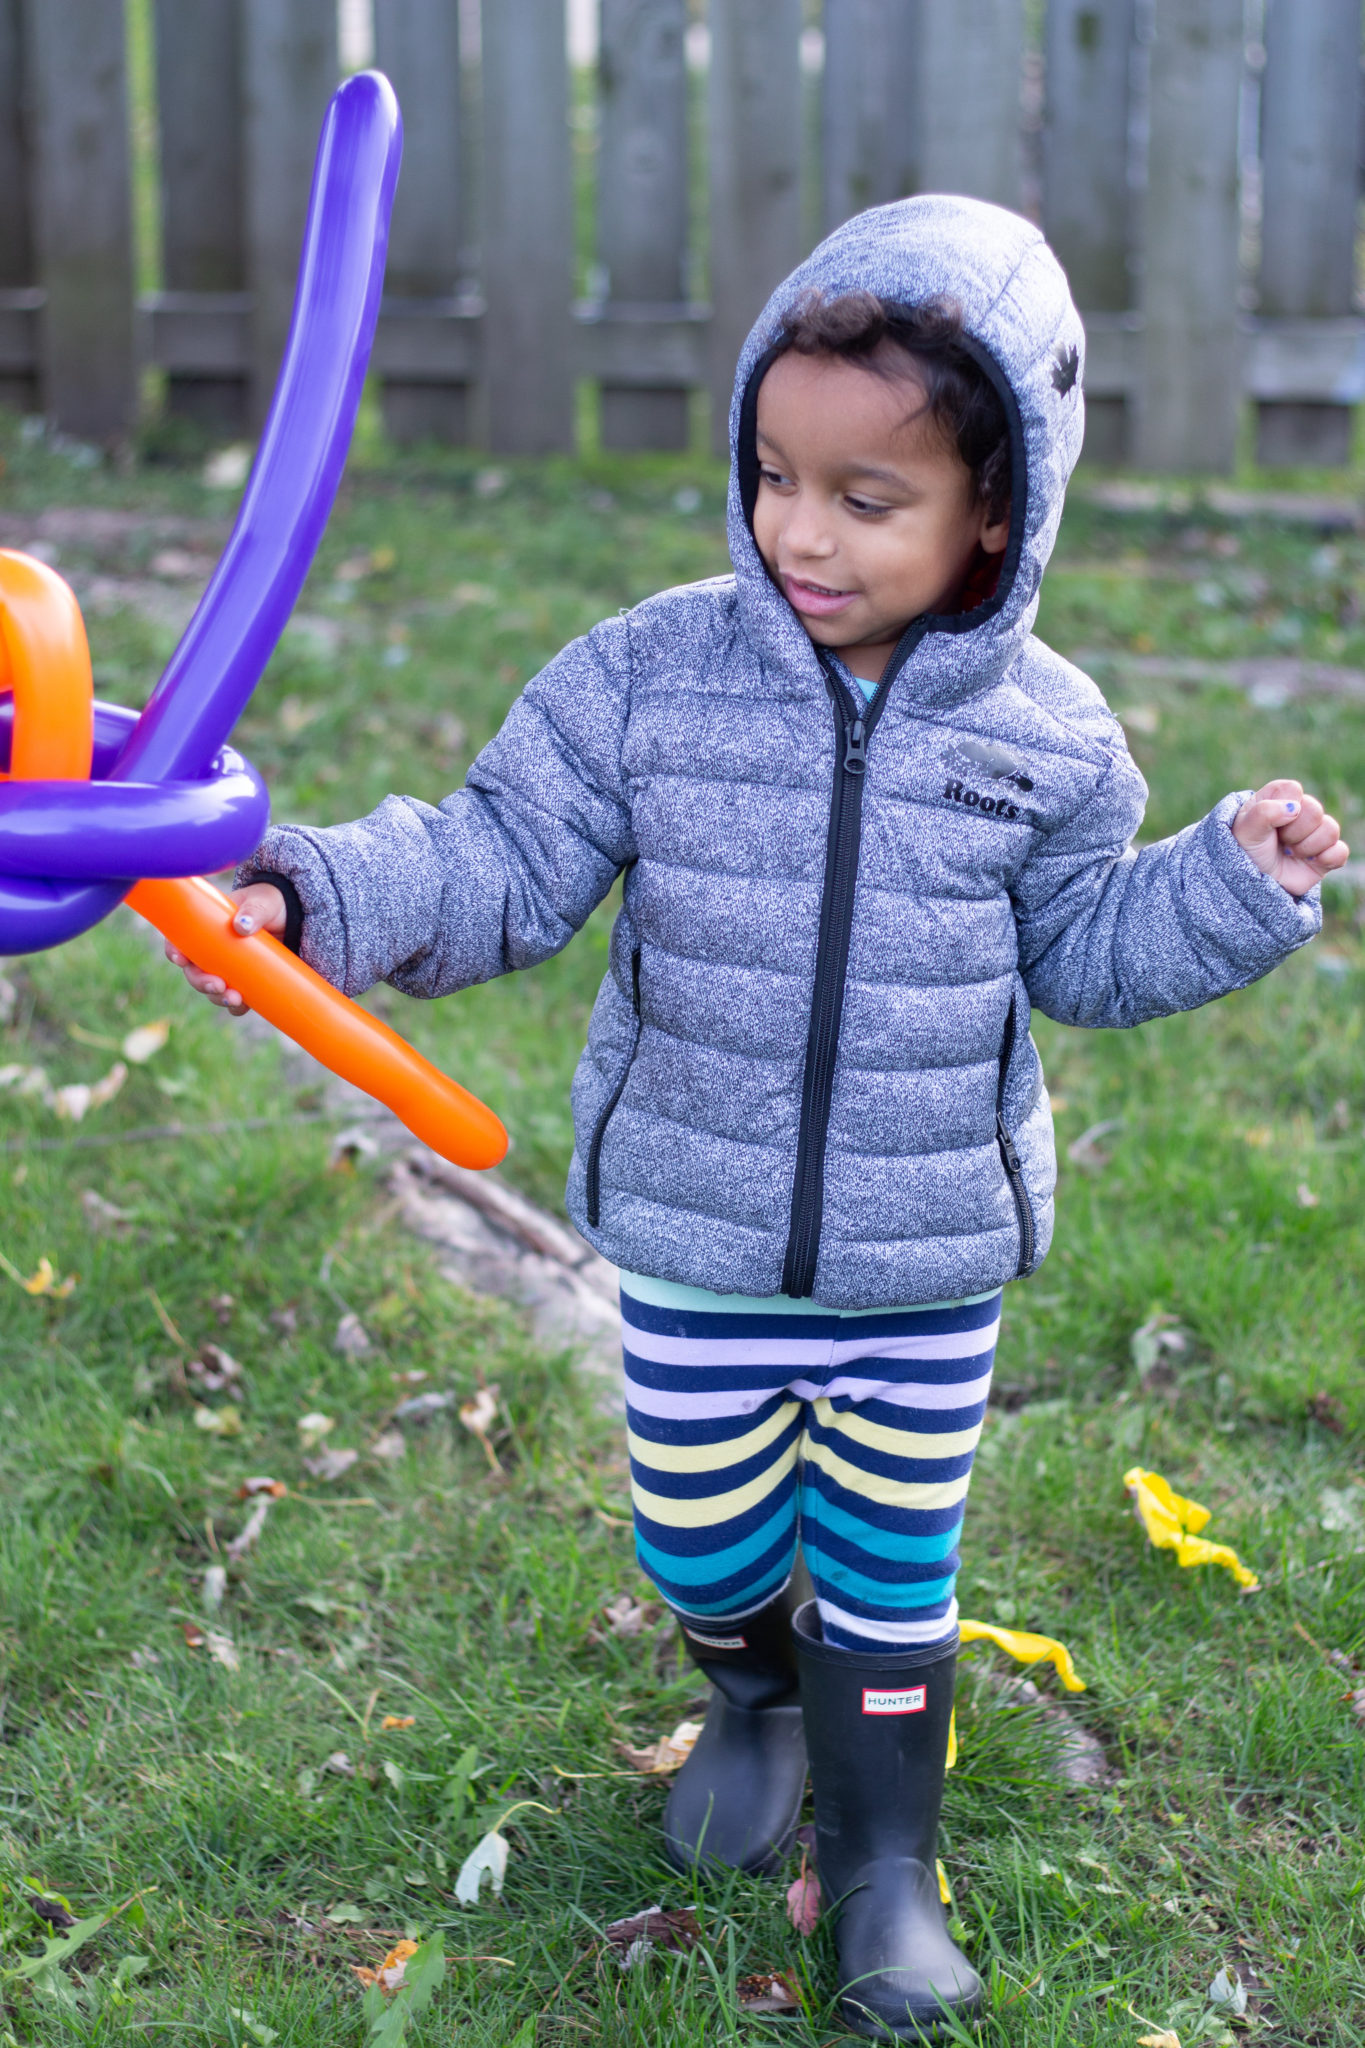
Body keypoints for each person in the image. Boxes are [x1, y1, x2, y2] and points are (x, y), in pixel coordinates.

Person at [167, 197, 1345, 2041]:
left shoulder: (1045, 737)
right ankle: (748, 1690)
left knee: (892, 1564)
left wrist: (1222, 885)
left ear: (994, 515)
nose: (799, 529)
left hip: (919, 1263)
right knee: (702, 1536)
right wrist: (318, 892)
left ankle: (883, 1868)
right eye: (774, 474)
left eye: (865, 499)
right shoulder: (645, 680)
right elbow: (496, 855)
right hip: (698, 1241)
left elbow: (1090, 949)